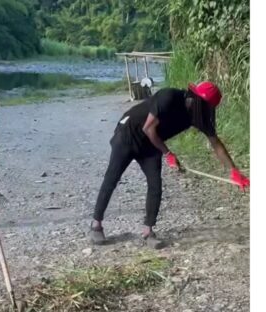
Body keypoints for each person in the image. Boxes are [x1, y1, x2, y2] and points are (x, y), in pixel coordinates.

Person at [90, 81, 249, 248]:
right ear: (195, 98)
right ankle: (96, 224)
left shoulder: (199, 116)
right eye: (204, 107)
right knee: (112, 177)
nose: (205, 112)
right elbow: (148, 128)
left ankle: (148, 231)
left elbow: (216, 144)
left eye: (208, 109)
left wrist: (234, 171)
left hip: (150, 145)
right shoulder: (169, 97)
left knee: (155, 185)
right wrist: (168, 154)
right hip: (128, 134)